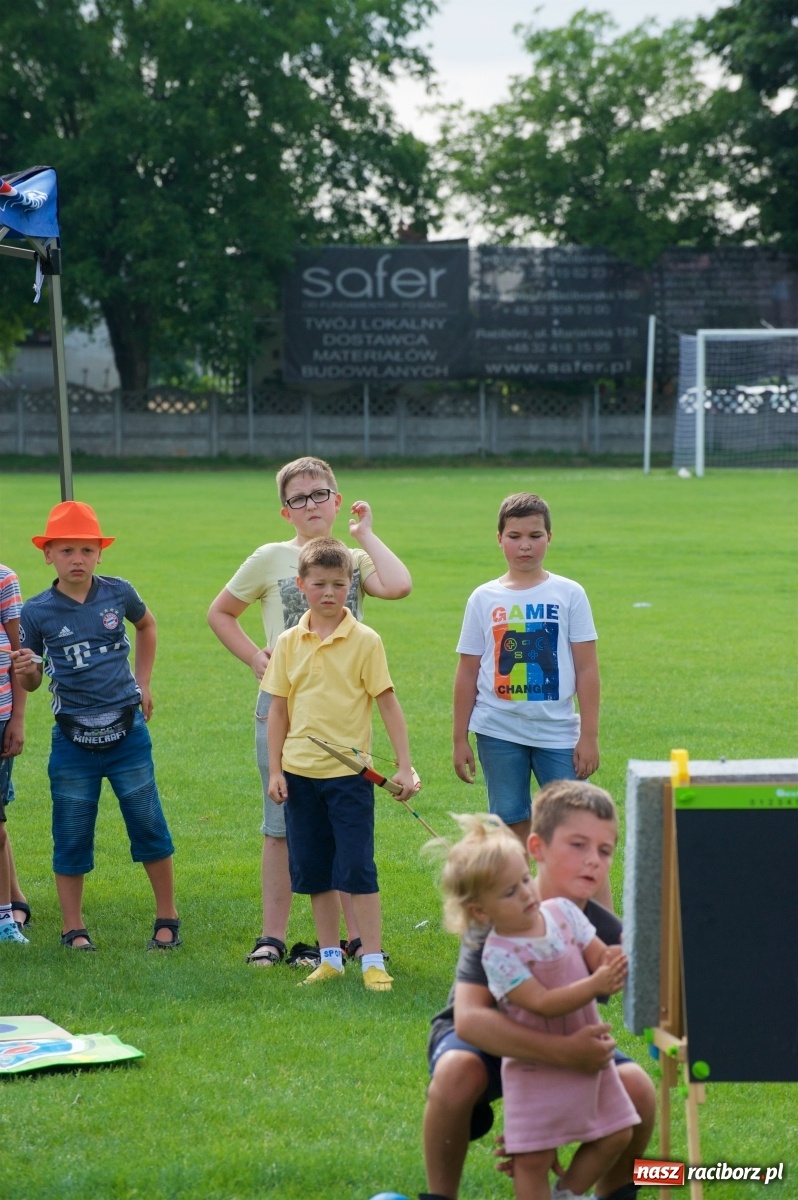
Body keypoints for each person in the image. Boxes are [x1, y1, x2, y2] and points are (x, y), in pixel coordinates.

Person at [207, 456, 411, 966]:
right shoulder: (270, 557)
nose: (311, 505)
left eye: (320, 494)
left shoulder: (349, 560)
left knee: (341, 826)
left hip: (342, 715)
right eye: (299, 498)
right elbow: (221, 613)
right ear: (286, 511)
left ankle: (353, 940)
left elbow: (399, 584)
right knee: (281, 824)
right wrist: (256, 656)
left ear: (337, 501)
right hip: (282, 711)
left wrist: (365, 535)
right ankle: (272, 936)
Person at [422, 780, 655, 1200]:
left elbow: (633, 978)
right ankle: (441, 1196)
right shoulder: (500, 914)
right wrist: (544, 1098)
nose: (593, 861)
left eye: (604, 851)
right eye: (578, 845)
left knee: (639, 1088)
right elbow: (472, 1020)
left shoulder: (599, 928)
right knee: (459, 1072)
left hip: (562, 1035)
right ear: (537, 848)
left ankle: (602, 1194)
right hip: (489, 1042)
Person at [11, 501, 180, 952]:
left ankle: (167, 916)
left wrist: (143, 682)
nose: (77, 559)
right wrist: (26, 667)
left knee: (147, 822)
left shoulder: (118, 593)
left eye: (87, 549)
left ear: (100, 553)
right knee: (70, 830)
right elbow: (30, 677)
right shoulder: (36, 611)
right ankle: (74, 927)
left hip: (128, 732)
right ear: (48, 554)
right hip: (71, 739)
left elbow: (147, 625)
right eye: (66, 550)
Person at [262, 537, 417, 991]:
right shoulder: (289, 641)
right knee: (314, 870)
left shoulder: (366, 641)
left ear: (351, 586)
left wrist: (404, 766)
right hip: (299, 773)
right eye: (318, 584)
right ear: (301, 586)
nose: (328, 593)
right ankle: (329, 958)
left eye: (338, 583)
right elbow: (278, 710)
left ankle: (371, 959)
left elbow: (387, 703)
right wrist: (275, 770)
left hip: (349, 777)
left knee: (356, 867)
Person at [452, 493, 602, 898]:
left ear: (550, 538)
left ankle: (576, 910)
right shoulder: (483, 598)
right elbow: (467, 672)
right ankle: (521, 909)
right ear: (499, 538)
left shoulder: (569, 594)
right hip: (498, 732)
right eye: (514, 535)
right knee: (510, 820)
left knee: (569, 826)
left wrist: (588, 736)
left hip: (557, 733)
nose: (525, 545)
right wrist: (458, 739)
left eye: (535, 535)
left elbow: (587, 669)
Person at [0, 563, 30, 944]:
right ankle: (15, 901)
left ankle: (6, 918)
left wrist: (18, 718)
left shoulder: (4, 579)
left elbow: (22, 654)